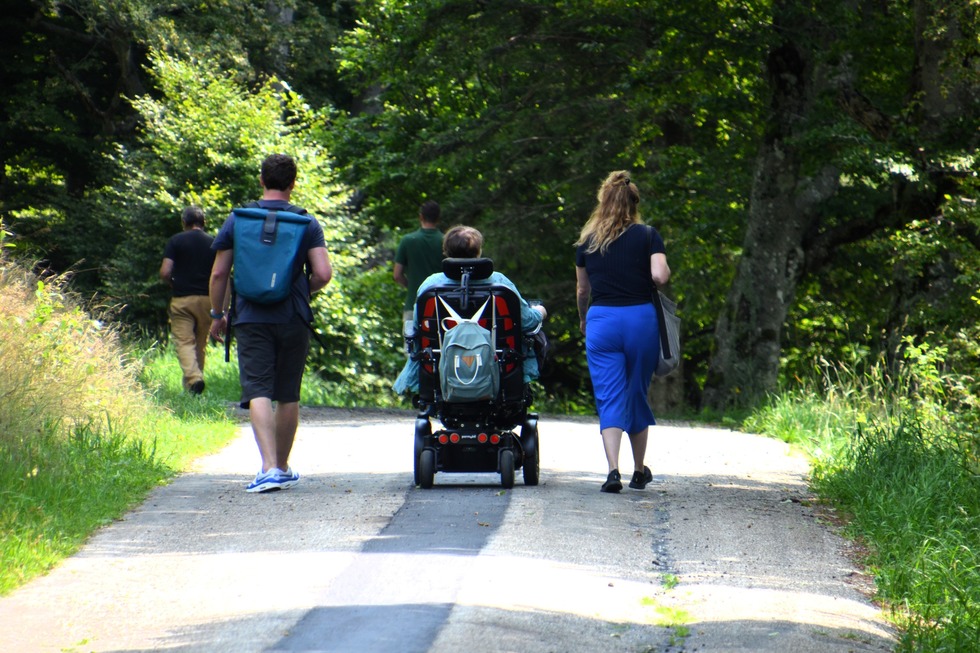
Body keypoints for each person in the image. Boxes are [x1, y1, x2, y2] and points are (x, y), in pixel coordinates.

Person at [208, 154, 333, 494]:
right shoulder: (307, 223)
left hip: (250, 318)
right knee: (287, 393)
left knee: (258, 389)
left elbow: (219, 273)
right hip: (293, 316)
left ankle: (267, 469)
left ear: (261, 180)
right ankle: (282, 465)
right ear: (293, 183)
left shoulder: (238, 219)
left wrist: (217, 315)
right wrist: (297, 291)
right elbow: (322, 273)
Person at [575, 171, 671, 493]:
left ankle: (612, 470)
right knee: (635, 392)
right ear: (634, 203)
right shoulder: (648, 235)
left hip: (601, 322)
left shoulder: (587, 241)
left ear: (603, 201)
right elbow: (659, 276)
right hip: (640, 320)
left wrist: (583, 320)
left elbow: (582, 290)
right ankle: (639, 470)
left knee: (609, 396)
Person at [393, 225, 547, 394]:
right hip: (498, 364)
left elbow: (417, 328)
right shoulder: (500, 283)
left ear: (445, 252)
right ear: (478, 252)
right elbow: (526, 322)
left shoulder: (431, 285)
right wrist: (540, 311)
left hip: (441, 364)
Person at [159, 206, 216, 395]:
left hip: (182, 299)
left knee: (184, 342)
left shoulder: (176, 241)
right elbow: (220, 274)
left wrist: (172, 282)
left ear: (184, 222)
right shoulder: (214, 243)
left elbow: (166, 271)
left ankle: (194, 379)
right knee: (200, 344)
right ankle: (192, 390)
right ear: (203, 222)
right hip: (207, 299)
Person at [393, 200, 444, 325]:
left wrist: (411, 287)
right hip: (441, 304)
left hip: (414, 302)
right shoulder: (446, 241)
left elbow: (397, 275)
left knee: (411, 342)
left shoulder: (408, 240)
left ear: (420, 217)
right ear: (438, 218)